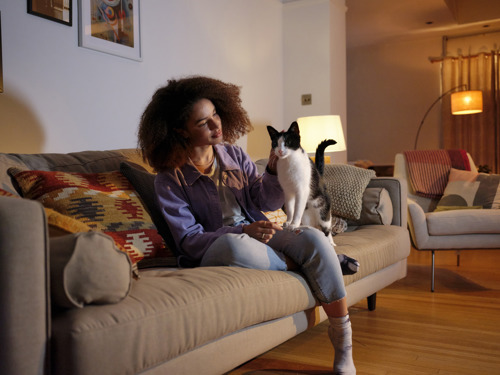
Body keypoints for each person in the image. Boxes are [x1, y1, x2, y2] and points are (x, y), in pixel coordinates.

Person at [137, 76, 356, 375]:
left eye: (215, 114)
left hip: (260, 234)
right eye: (204, 122)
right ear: (180, 130)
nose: (217, 125)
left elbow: (263, 200)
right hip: (220, 245)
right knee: (233, 244)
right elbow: (189, 240)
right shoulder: (169, 180)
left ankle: (343, 341)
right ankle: (308, 263)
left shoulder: (235, 154)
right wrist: (242, 231)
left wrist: (273, 172)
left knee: (314, 239)